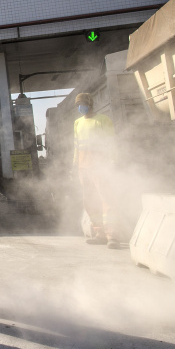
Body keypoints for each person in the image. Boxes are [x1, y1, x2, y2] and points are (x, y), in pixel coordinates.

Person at [72, 93, 117, 248]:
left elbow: (111, 143)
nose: (80, 107)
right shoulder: (77, 123)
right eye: (78, 104)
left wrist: (113, 161)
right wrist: (74, 164)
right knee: (89, 201)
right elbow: (77, 147)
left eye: (83, 103)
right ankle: (99, 233)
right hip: (83, 168)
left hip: (100, 166)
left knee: (106, 199)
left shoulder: (103, 120)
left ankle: (112, 235)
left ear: (90, 104)